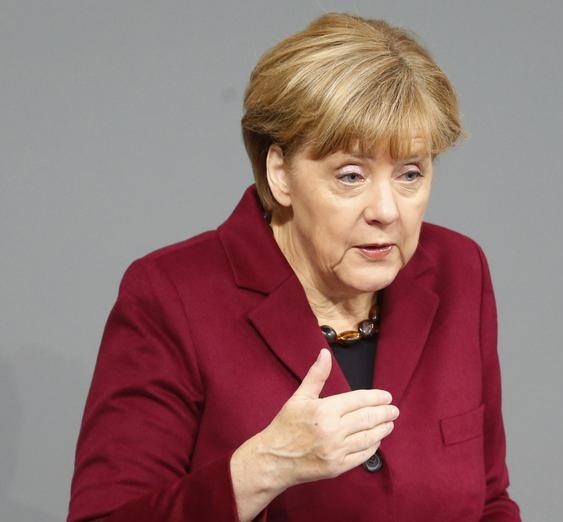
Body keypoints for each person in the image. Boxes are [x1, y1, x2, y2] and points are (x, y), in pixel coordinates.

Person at [68, 12, 521, 522]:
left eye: (410, 174)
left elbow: (489, 501)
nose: (387, 210)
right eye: (351, 176)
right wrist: (261, 469)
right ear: (280, 172)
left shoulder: (459, 273)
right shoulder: (172, 297)